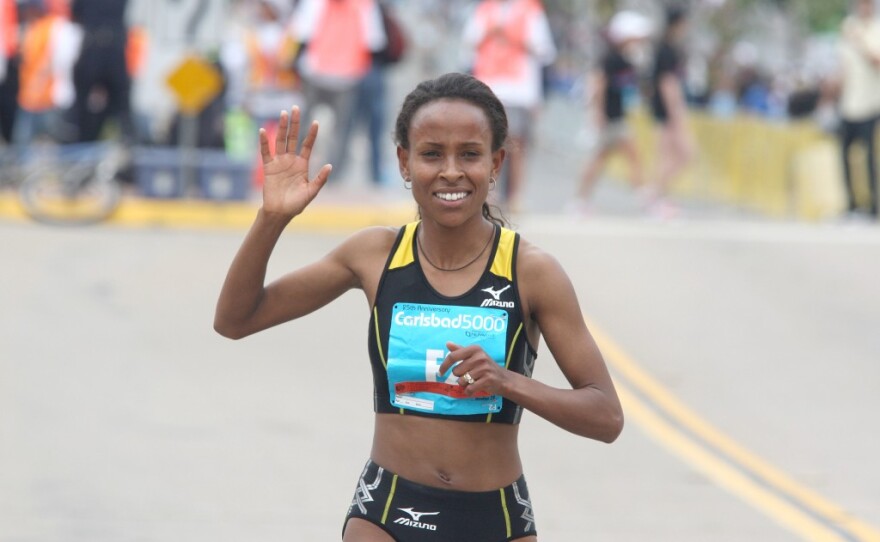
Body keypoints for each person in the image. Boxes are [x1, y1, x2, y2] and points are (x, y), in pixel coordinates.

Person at [214, 72, 624, 541]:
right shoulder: (373, 255)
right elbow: (234, 319)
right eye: (432, 154)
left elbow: (606, 416)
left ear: (496, 163)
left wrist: (508, 381)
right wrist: (271, 219)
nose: (451, 171)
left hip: (495, 517)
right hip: (386, 511)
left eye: (470, 154)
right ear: (405, 162)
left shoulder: (531, 272)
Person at [463, 0, 557, 213]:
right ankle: (489, 195)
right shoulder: (484, 10)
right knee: (488, 144)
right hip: (487, 88)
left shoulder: (531, 10)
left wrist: (515, 37)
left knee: (516, 146)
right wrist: (491, 32)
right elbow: (469, 44)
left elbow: (545, 51)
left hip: (519, 91)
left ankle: (515, 197)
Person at [568, 10, 652, 216]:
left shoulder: (626, 60)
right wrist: (597, 114)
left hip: (617, 117)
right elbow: (598, 85)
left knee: (613, 157)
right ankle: (645, 201)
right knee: (609, 158)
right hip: (608, 118)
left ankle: (581, 201)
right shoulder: (610, 59)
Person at [291, 0, 386, 179]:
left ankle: (295, 170)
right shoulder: (365, 5)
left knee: (303, 124)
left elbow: (301, 35)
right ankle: (332, 177)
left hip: (317, 72)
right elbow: (374, 42)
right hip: (345, 76)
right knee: (340, 132)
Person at [645, 5, 693, 219]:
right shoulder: (666, 50)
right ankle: (656, 197)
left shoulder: (666, 48)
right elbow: (667, 84)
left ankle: (658, 195)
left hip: (665, 110)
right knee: (678, 155)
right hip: (666, 111)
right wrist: (675, 115)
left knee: (675, 155)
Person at [836, 0, 880, 221]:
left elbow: (876, 61)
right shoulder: (848, 25)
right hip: (848, 103)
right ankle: (851, 205)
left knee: (869, 157)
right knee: (844, 156)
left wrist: (860, 41)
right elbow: (843, 65)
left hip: (870, 104)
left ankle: (873, 207)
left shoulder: (876, 29)